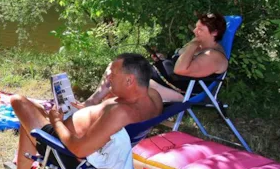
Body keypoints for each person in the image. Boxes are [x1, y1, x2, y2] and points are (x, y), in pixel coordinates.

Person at [1, 53, 162, 169]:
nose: (109, 78)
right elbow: (104, 112)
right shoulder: (152, 97)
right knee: (33, 111)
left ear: (129, 80)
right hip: (81, 139)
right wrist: (96, 97)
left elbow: (78, 149)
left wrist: (56, 122)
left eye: (113, 74)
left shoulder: (121, 113)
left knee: (19, 101)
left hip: (67, 152)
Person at [85, 13, 228, 105]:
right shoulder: (199, 42)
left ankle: (99, 116)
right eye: (196, 27)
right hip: (158, 77)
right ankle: (93, 103)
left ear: (214, 33)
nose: (195, 32)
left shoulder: (214, 56)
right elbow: (177, 61)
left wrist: (193, 45)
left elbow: (180, 69)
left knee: (123, 81)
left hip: (176, 92)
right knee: (115, 66)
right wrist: (163, 58)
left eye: (200, 30)